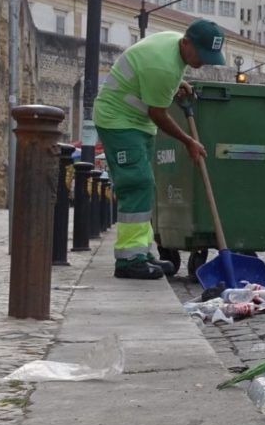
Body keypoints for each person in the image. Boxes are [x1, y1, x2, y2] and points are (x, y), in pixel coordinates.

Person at [94, 19, 226, 279]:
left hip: (138, 122)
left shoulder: (173, 45)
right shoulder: (162, 66)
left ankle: (141, 253)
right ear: (186, 43)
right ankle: (129, 260)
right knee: (137, 183)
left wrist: (176, 85)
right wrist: (188, 141)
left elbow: (150, 82)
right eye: (201, 54)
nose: (204, 61)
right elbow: (158, 113)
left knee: (146, 186)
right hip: (118, 120)